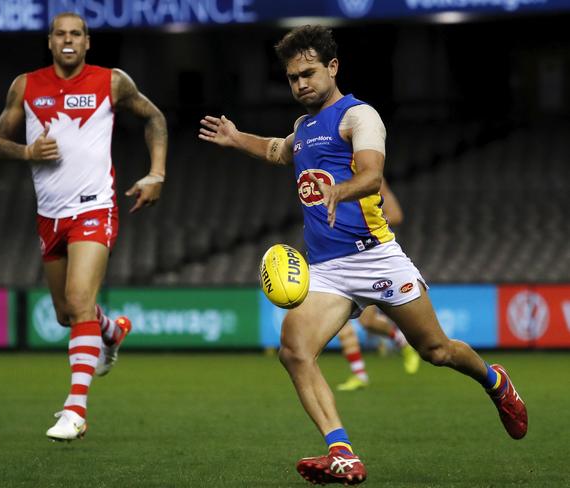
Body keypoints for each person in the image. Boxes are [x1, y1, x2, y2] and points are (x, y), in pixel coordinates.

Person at [199, 25, 526, 485]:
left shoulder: (359, 117)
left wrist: (341, 191)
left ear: (333, 67)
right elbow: (279, 151)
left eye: (308, 73)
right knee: (294, 351)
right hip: (328, 270)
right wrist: (238, 139)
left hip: (377, 258)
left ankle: (496, 382)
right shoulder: (303, 126)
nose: (300, 84)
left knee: (437, 350)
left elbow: (372, 177)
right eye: (292, 78)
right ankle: (342, 452)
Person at [0, 12, 167, 441]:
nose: (68, 40)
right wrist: (28, 152)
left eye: (76, 35)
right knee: (68, 315)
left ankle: (75, 411)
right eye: (60, 34)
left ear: (87, 42)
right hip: (49, 215)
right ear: (50, 42)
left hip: (95, 207)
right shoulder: (25, 85)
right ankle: (112, 331)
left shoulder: (111, 82)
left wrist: (156, 174)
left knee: (79, 299)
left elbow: (155, 118)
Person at [336, 179, 420, 392]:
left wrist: (362, 225)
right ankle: (359, 375)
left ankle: (403, 342)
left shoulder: (373, 181)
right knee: (339, 320)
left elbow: (397, 215)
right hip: (341, 259)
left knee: (368, 322)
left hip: (371, 262)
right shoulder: (335, 180)